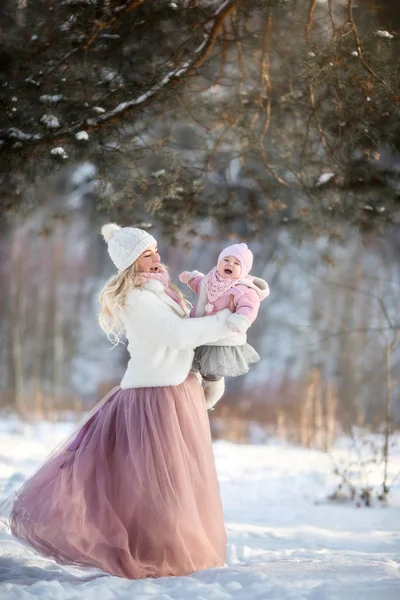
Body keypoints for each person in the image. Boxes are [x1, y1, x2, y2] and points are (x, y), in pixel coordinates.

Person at [8, 223, 239, 580]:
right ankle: (155, 552)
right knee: (157, 486)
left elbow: (190, 335)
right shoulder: (137, 298)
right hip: (152, 397)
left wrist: (213, 363)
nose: (156, 258)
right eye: (146, 254)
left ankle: (175, 552)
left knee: (181, 483)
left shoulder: (162, 292)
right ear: (130, 262)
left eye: (155, 250)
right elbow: (177, 335)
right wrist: (230, 322)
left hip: (177, 390)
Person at [179, 243, 269, 395]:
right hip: (199, 331)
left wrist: (240, 319)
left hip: (221, 338)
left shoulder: (244, 289)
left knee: (212, 371)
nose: (230, 264)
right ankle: (191, 391)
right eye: (226, 260)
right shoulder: (210, 279)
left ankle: (213, 393)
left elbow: (249, 307)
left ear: (244, 271)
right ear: (219, 262)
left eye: (236, 263)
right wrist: (191, 278)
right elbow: (200, 285)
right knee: (190, 363)